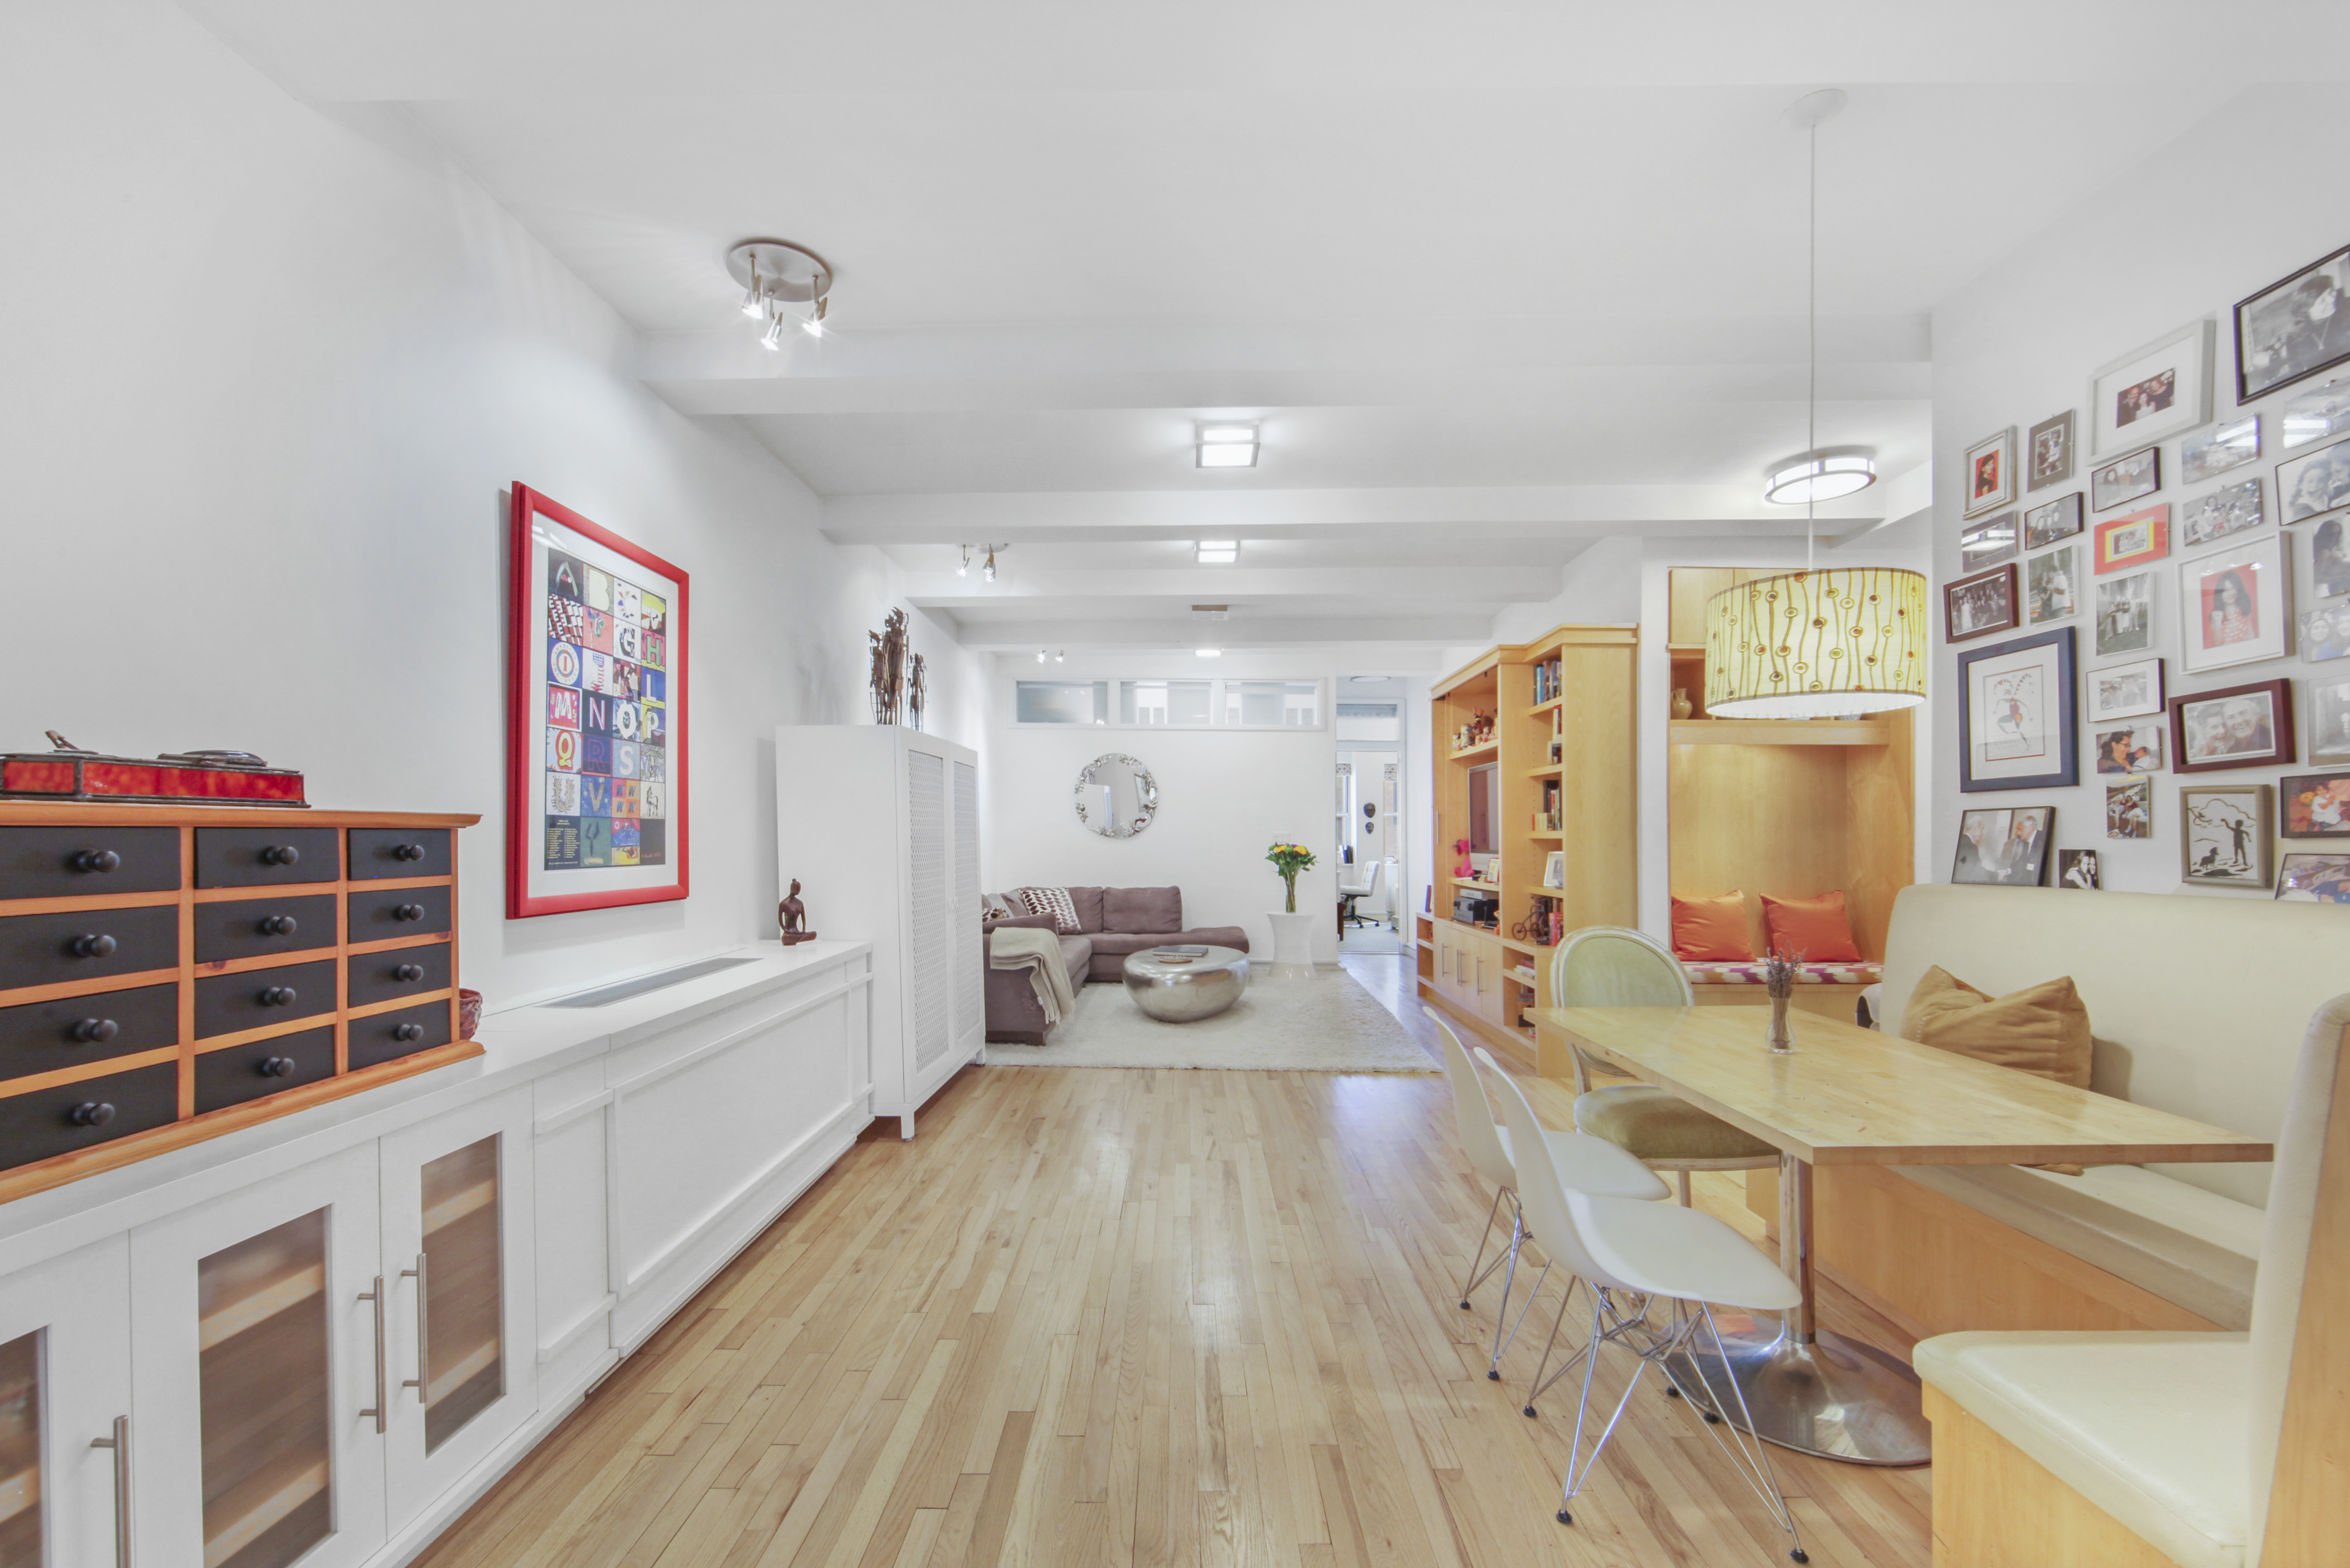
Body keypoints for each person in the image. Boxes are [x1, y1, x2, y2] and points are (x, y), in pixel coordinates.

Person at [2206, 570, 2257, 648]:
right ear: (2220, 594)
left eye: (2233, 589)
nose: (2230, 593)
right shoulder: (2217, 615)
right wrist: (2217, 625)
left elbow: (2251, 634)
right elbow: (2218, 644)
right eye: (2226, 590)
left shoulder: (2244, 608)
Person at [2316, 519, 2350, 597]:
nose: (2336, 536)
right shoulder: (2324, 553)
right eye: (2332, 533)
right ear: (2326, 533)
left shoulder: (2333, 548)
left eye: (2338, 533)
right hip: (2339, 584)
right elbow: (2317, 579)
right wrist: (2340, 579)